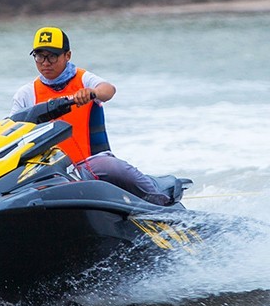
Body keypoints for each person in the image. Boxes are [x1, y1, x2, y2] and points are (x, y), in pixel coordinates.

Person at [11, 25, 173, 206]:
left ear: (67, 56)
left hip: (91, 162)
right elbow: (11, 131)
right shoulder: (25, 94)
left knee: (112, 166)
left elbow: (109, 90)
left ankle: (164, 204)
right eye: (40, 56)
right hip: (49, 171)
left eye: (52, 56)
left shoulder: (84, 79)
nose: (45, 63)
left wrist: (92, 92)